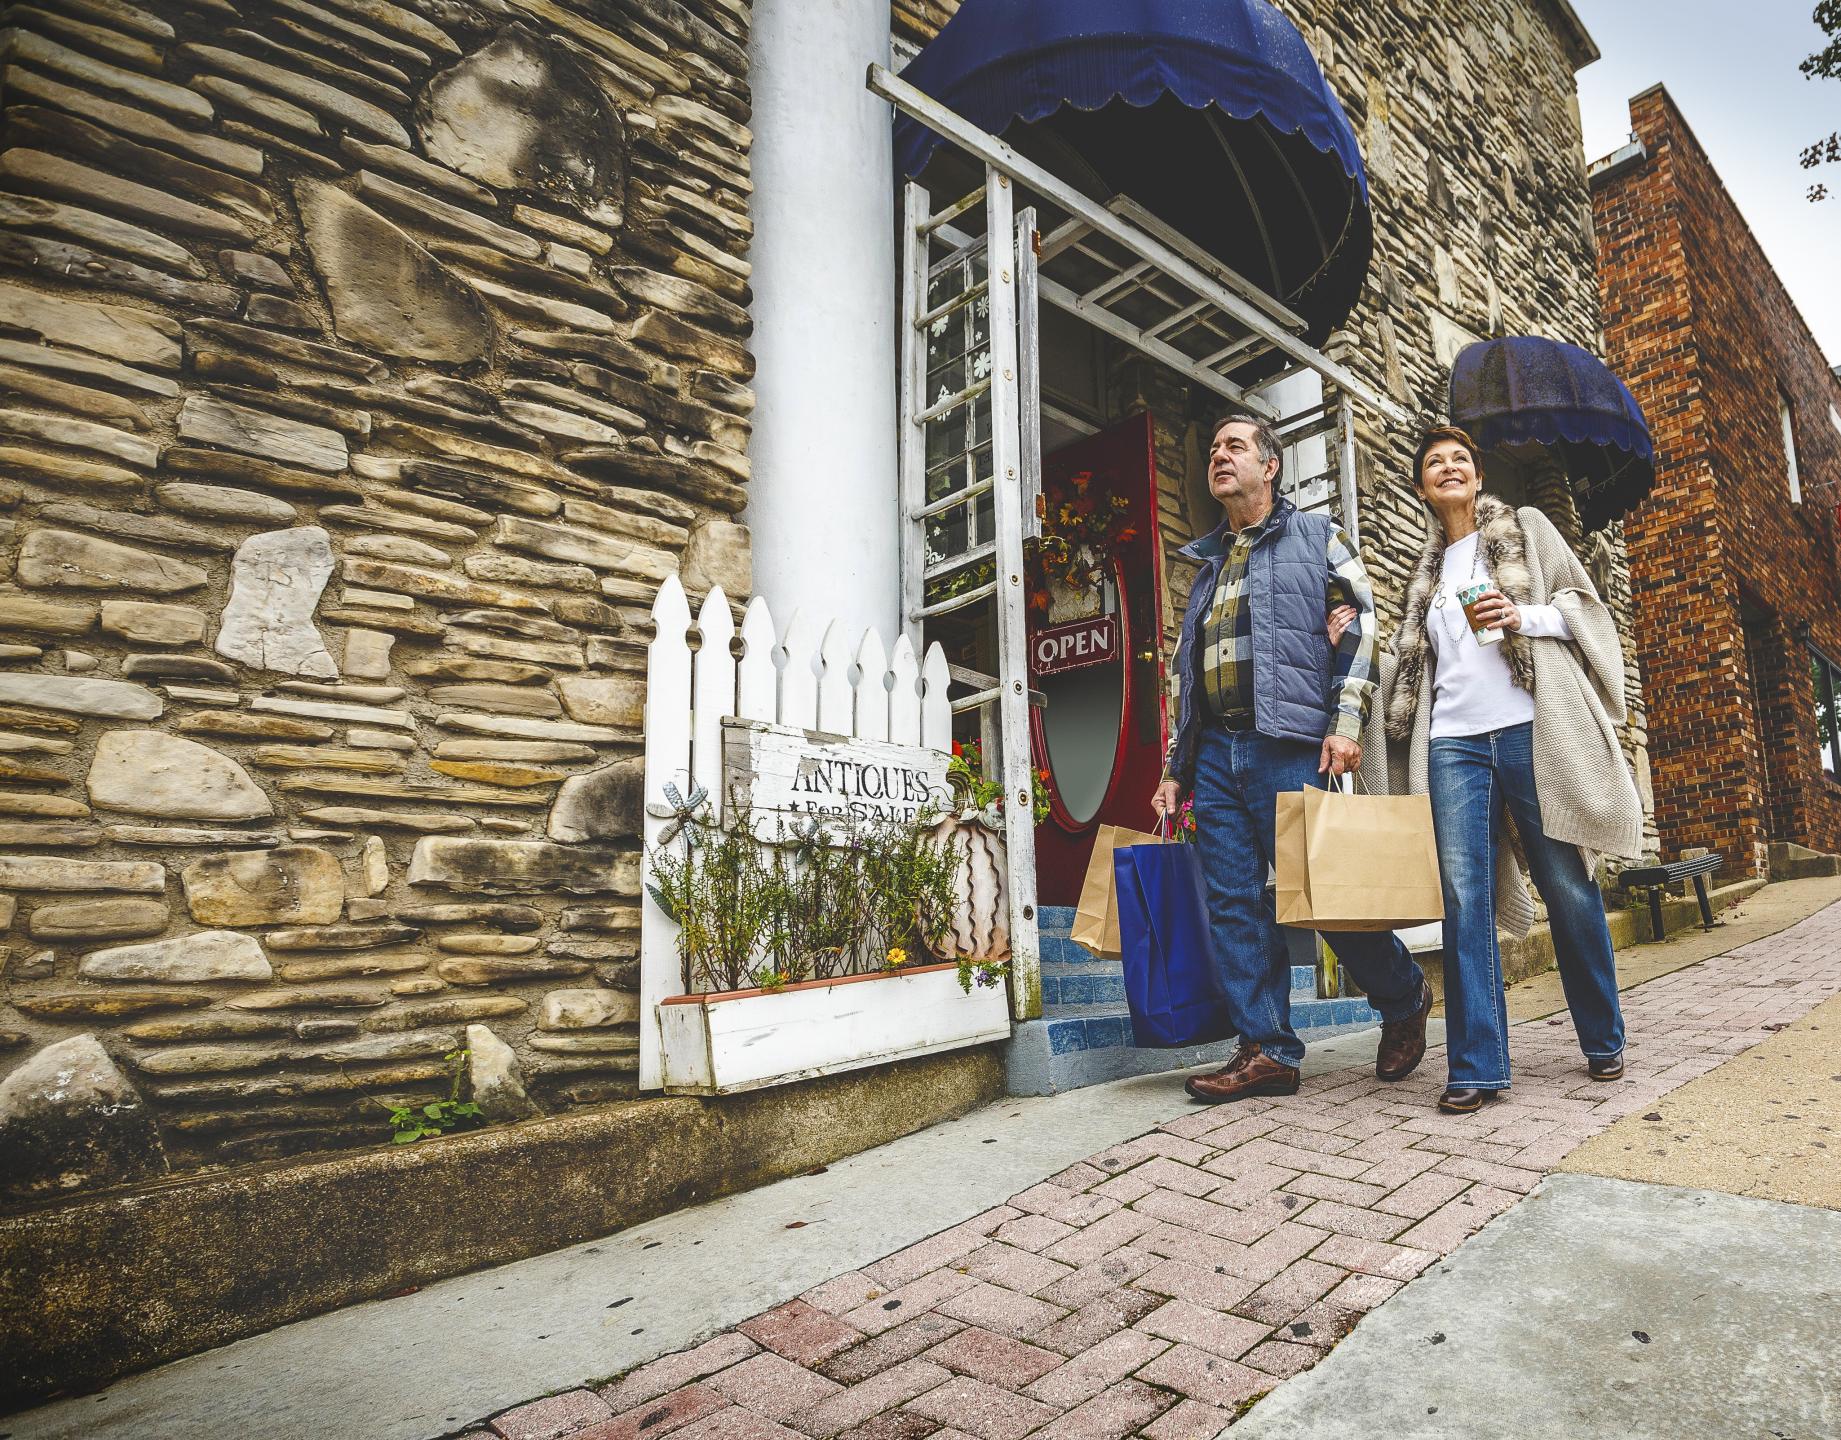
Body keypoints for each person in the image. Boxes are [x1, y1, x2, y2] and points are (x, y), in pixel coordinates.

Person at [1151, 414, 1433, 1103]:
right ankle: (1268, 1049)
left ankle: (1402, 997)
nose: (1218, 455)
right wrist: (1173, 768)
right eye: (1212, 447)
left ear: (1269, 466)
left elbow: (1361, 627)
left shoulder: (1317, 536)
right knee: (1233, 905)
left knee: (1333, 899)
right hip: (1216, 753)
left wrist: (1344, 722)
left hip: (1290, 743)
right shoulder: (1208, 566)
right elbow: (1187, 678)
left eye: (1233, 446)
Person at [1379, 426, 1643, 1114]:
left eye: (1459, 459)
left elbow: (1582, 606)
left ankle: (1602, 1035)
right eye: (1433, 462)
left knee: (1564, 883)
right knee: (1463, 899)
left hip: (1527, 728)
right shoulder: (1424, 576)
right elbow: (1413, 671)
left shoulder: (1524, 528)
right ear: (1420, 487)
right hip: (1454, 742)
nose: (1448, 468)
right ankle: (1475, 1065)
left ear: (1476, 474)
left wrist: (1519, 614)